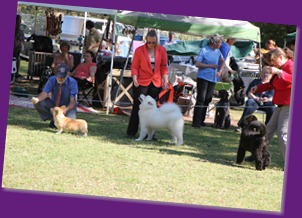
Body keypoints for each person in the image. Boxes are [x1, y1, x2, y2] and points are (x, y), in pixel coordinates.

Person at [250, 48, 293, 161]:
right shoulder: (280, 68)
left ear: (280, 57)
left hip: (289, 105)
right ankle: (257, 155)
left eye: (274, 61)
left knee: (283, 134)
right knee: (267, 131)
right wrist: (258, 88)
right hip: (279, 105)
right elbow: (272, 84)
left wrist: (279, 72)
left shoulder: (291, 66)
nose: (272, 64)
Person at [126, 29, 169, 138]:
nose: (151, 45)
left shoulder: (162, 50)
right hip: (142, 81)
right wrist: (135, 77)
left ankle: (150, 135)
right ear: (146, 40)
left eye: (153, 42)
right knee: (137, 106)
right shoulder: (139, 50)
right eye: (149, 42)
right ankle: (131, 132)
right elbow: (135, 66)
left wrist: (165, 79)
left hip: (156, 82)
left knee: (152, 109)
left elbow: (164, 66)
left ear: (157, 41)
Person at [192, 33, 225, 127]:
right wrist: (210, 66)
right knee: (201, 99)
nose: (220, 45)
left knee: (208, 99)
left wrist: (220, 70)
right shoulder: (204, 50)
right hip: (203, 77)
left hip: (213, 78)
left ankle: (202, 120)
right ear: (214, 42)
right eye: (219, 43)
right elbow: (197, 64)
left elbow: (222, 61)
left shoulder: (218, 51)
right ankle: (196, 122)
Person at [31, 64, 79, 128]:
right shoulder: (51, 79)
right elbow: (44, 93)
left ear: (68, 74)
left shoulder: (73, 82)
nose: (60, 78)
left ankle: (57, 121)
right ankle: (53, 119)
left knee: (71, 125)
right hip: (54, 105)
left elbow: (72, 102)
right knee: (39, 102)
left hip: (68, 106)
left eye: (63, 77)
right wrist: (37, 99)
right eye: (59, 76)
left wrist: (64, 111)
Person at [236, 66, 276, 132]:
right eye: (264, 73)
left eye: (268, 73)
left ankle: (267, 128)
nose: (265, 74)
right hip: (255, 101)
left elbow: (275, 95)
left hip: (267, 102)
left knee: (272, 107)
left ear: (271, 75)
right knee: (250, 103)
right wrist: (256, 98)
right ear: (261, 73)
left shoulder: (273, 84)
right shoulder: (255, 82)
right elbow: (249, 93)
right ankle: (242, 125)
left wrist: (269, 99)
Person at [13, 14, 25, 79]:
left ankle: (16, 74)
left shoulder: (20, 32)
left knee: (17, 59)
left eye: (20, 21)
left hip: (17, 52)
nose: (19, 22)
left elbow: (22, 41)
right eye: (18, 20)